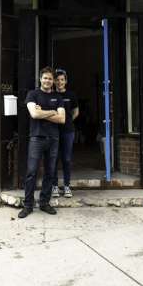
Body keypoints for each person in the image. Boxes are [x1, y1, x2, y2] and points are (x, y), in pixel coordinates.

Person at [18, 67, 65, 219]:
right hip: (36, 138)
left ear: (53, 81)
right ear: (40, 79)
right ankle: (28, 205)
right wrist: (52, 112)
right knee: (31, 172)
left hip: (53, 139)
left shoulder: (58, 97)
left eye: (50, 79)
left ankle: (44, 203)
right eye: (45, 78)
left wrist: (43, 113)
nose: (47, 81)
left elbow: (62, 119)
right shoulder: (32, 94)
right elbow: (34, 113)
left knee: (50, 173)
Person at [52, 69, 79, 199]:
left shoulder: (71, 95)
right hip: (53, 131)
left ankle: (67, 185)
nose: (59, 82)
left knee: (66, 159)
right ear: (54, 81)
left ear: (66, 81)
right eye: (57, 80)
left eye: (62, 80)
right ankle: (54, 186)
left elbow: (76, 112)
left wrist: (67, 121)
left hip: (68, 131)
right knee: (54, 159)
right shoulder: (51, 94)